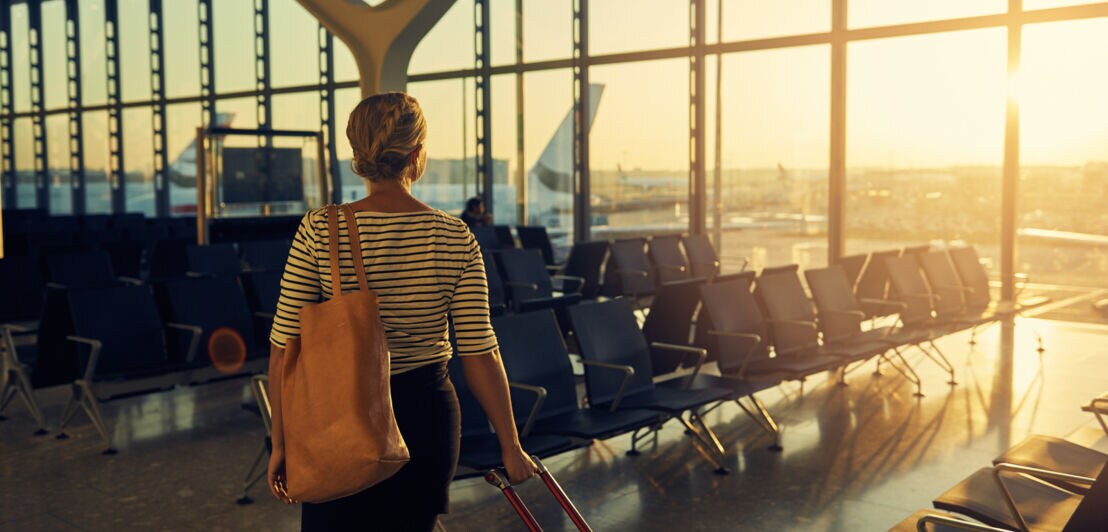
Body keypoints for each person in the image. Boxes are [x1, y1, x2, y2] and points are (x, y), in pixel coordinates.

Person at [266, 92, 537, 531]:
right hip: (424, 418)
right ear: (417, 153)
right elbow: (479, 352)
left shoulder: (320, 229)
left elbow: (284, 349)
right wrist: (511, 445)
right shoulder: (454, 236)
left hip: (336, 415)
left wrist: (281, 444)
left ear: (357, 155)